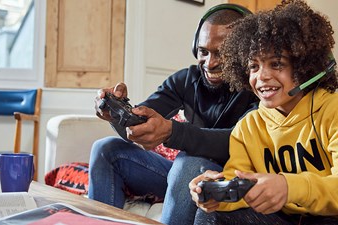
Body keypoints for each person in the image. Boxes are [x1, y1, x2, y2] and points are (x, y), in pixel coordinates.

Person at [88, 4, 258, 225]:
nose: (210, 62)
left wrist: (172, 132)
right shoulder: (186, 79)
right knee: (106, 150)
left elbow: (239, 141)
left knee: (188, 161)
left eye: (222, 54)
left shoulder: (259, 85)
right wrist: (117, 113)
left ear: (246, 53)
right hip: (183, 177)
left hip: (229, 180)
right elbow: (142, 124)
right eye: (203, 51)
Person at [189, 0, 338, 224]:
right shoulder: (248, 127)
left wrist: (289, 187)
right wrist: (216, 193)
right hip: (281, 219)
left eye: (276, 64)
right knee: (211, 215)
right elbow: (239, 181)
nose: (262, 76)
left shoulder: (332, 111)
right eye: (253, 66)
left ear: (305, 67)